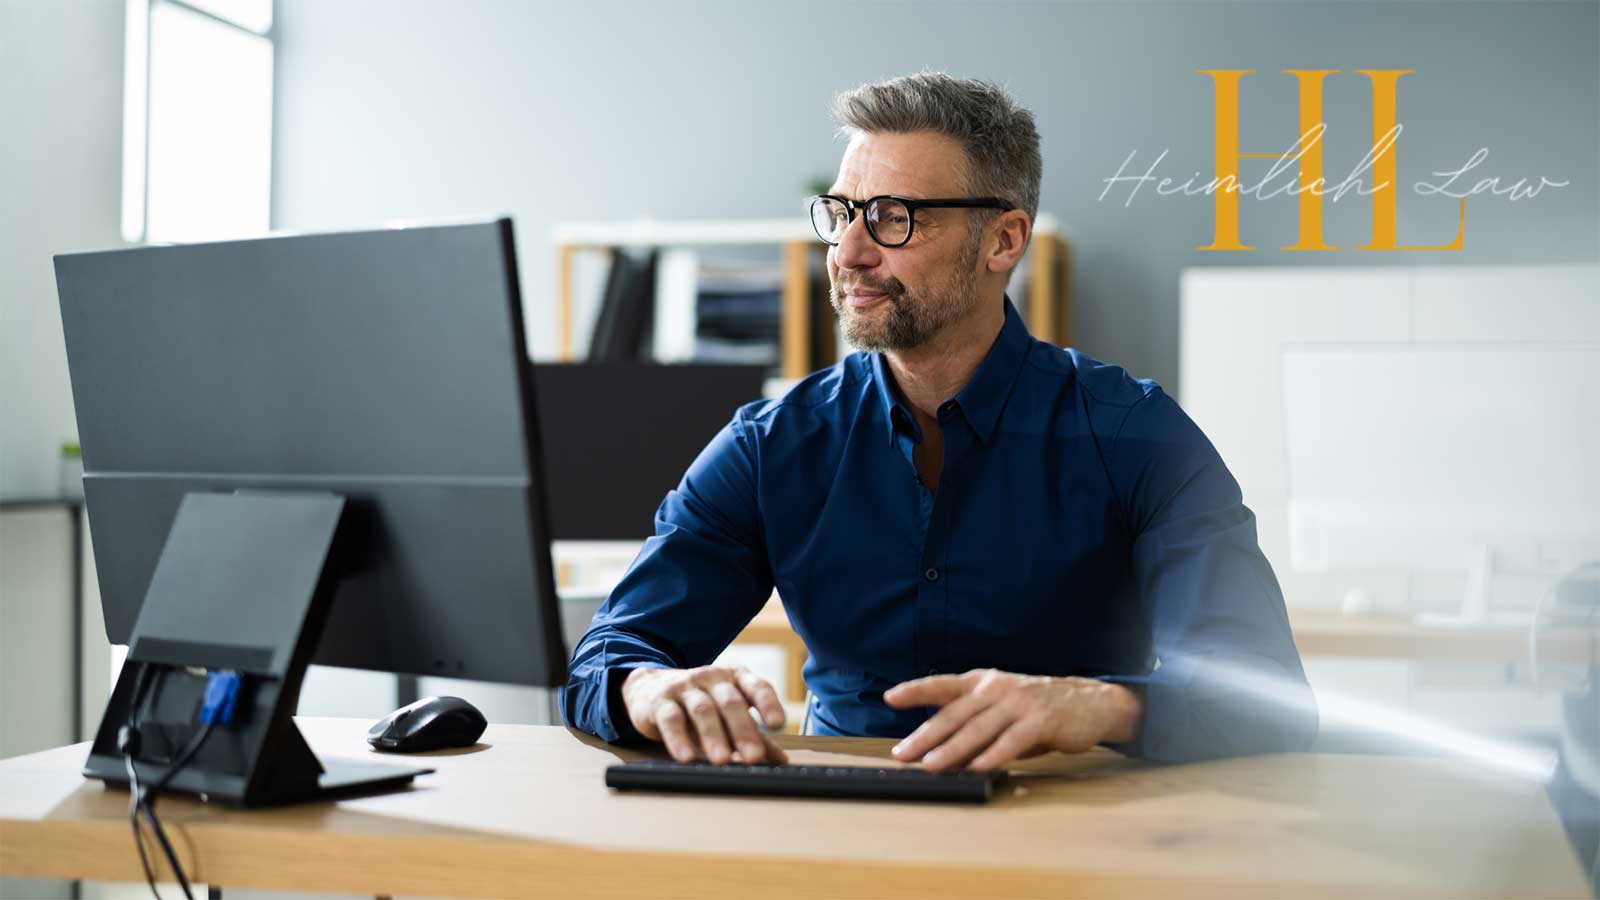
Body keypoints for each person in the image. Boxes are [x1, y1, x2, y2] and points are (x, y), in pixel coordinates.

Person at [558, 72, 1318, 771]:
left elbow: (1267, 700)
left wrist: (1097, 704)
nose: (849, 252)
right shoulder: (770, 445)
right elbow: (607, 658)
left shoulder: (1137, 435)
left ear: (1005, 239)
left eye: (894, 219)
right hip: (837, 833)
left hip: (1073, 835)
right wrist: (649, 690)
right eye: (842, 213)